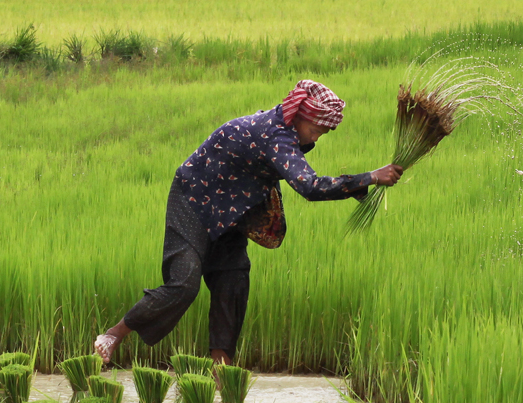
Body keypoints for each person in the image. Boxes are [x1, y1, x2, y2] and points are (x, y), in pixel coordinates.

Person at [94, 80, 404, 365]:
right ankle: (115, 333)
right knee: (184, 284)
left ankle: (221, 373)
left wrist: (357, 188)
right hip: (194, 200)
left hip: (233, 209)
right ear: (299, 115)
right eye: (318, 128)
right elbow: (309, 186)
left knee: (234, 282)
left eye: (325, 131)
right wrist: (370, 177)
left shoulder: (285, 131)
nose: (319, 135)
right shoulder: (274, 135)